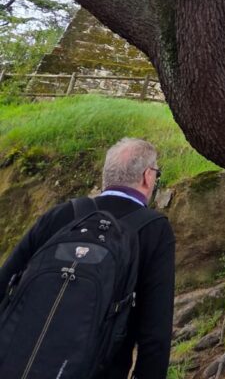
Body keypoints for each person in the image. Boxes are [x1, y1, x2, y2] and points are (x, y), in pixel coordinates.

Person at [0, 137, 175, 379]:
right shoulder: (154, 230)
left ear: (107, 176)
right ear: (147, 176)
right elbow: (156, 330)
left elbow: (5, 284)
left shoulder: (61, 215)